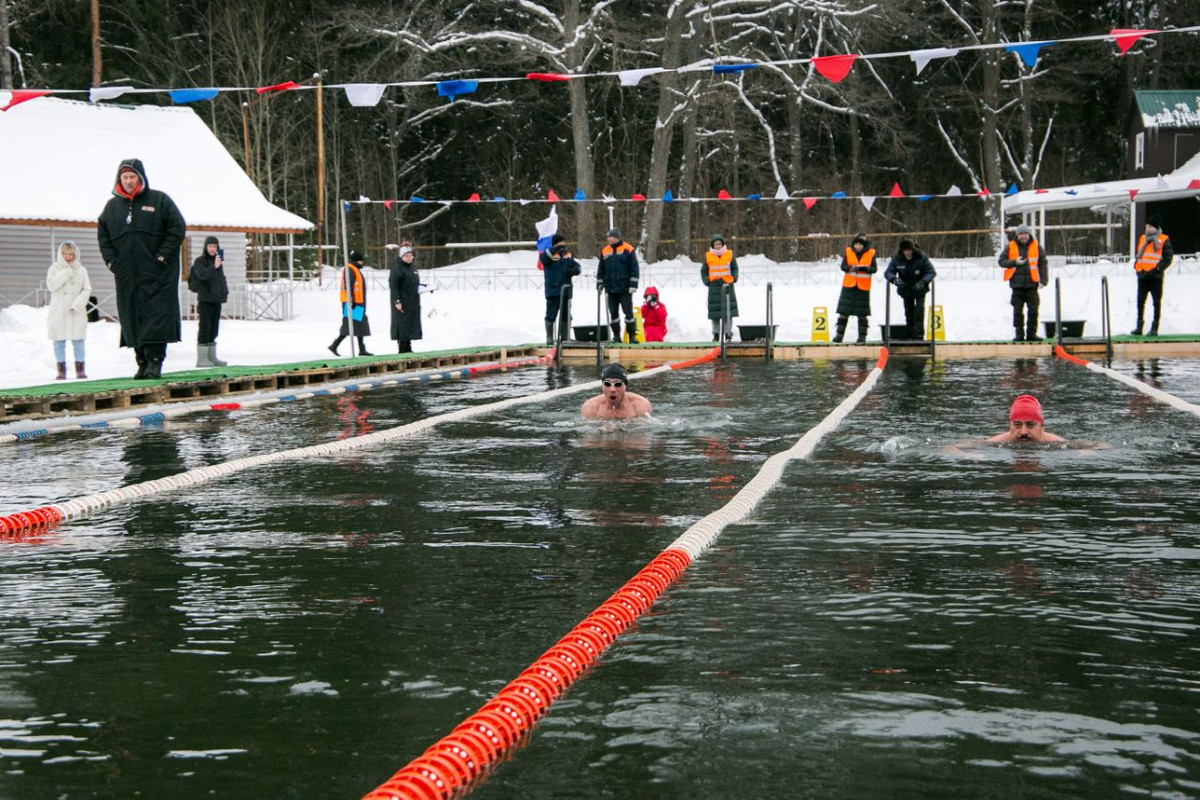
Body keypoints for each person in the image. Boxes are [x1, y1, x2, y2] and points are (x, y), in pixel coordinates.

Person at [97, 158, 187, 380]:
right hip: (127, 275)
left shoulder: (159, 200)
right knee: (133, 317)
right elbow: (103, 236)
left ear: (141, 178)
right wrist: (112, 262)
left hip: (156, 274)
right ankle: (141, 361)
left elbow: (177, 228)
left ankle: (155, 361)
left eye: (132, 177)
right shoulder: (112, 207)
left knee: (156, 316)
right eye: (125, 177)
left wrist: (161, 257)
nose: (128, 181)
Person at [45, 241, 92, 380]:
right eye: (65, 253)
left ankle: (80, 369)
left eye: (71, 254)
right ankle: (61, 370)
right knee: (59, 341)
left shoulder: (82, 270)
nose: (68, 256)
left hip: (75, 311)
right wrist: (66, 273)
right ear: (60, 254)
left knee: (78, 340)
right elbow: (51, 285)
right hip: (59, 311)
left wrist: (77, 304)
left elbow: (87, 288)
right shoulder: (54, 269)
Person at [998, 223, 1049, 342]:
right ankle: (1019, 335)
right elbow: (1001, 261)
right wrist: (1014, 262)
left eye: (1025, 233)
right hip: (1017, 286)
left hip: (1032, 285)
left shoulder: (1036, 246)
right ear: (1017, 235)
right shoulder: (1010, 246)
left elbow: (1043, 263)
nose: (1024, 236)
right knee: (1017, 312)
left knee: (1033, 311)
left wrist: (1044, 280)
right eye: (1021, 234)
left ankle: (1032, 334)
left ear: (1029, 234)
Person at [189, 235, 230, 367]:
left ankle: (212, 357)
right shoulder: (200, 261)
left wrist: (224, 292)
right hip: (205, 299)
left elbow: (219, 279)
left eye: (214, 246)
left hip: (216, 299)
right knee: (205, 327)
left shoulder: (218, 262)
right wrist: (214, 266)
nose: (212, 249)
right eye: (210, 246)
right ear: (205, 247)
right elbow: (203, 275)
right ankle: (202, 359)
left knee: (214, 328)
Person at [883, 238, 936, 340]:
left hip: (919, 288)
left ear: (913, 250)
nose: (907, 253)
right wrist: (894, 279)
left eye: (909, 250)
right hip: (905, 288)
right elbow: (888, 272)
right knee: (908, 311)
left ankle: (919, 335)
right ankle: (911, 334)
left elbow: (931, 272)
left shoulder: (921, 257)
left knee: (919, 311)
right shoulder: (897, 259)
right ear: (902, 251)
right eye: (905, 250)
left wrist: (924, 281)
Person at [1131, 216, 1173, 336]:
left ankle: (1154, 327)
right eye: (1146, 226)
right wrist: (1137, 267)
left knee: (1156, 302)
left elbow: (1168, 258)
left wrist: (1158, 269)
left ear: (1155, 228)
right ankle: (1139, 327)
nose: (1147, 229)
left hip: (1155, 276)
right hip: (1143, 275)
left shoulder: (1163, 240)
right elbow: (1139, 254)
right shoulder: (1143, 238)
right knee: (1140, 301)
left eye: (1149, 226)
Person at [597, 227, 639, 343]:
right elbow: (601, 268)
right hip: (610, 288)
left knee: (628, 313)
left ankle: (632, 336)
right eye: (608, 237)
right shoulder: (605, 250)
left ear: (616, 237)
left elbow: (634, 268)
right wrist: (599, 283)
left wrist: (633, 284)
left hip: (625, 288)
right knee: (613, 313)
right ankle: (616, 336)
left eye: (611, 237)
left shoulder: (628, 249)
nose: (609, 239)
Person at [834, 233, 877, 343]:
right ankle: (839, 336)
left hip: (863, 287)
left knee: (862, 314)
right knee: (843, 312)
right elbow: (843, 266)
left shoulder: (871, 253)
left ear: (864, 245)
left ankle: (862, 338)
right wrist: (850, 268)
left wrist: (866, 269)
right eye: (856, 244)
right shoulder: (848, 251)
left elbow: (874, 268)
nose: (858, 246)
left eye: (860, 244)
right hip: (849, 286)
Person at [539, 233, 580, 345]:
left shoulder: (567, 254)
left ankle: (565, 337)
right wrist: (553, 249)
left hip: (566, 291)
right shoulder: (548, 254)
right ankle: (550, 338)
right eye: (560, 243)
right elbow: (543, 260)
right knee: (551, 314)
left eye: (563, 242)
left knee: (566, 315)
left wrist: (573, 271)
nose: (563, 244)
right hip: (553, 290)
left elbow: (577, 267)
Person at [329, 250, 372, 356]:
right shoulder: (351, 269)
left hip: (356, 302)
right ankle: (335, 345)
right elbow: (348, 286)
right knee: (350, 325)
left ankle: (360, 349)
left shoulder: (353, 268)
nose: (362, 263)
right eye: (361, 261)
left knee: (357, 326)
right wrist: (351, 300)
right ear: (357, 261)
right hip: (353, 303)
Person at [581, 363, 653, 420]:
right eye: (607, 384)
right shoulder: (591, 407)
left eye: (618, 384)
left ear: (625, 386)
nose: (612, 389)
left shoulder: (640, 405)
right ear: (602, 387)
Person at [702, 234, 739, 341]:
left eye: (719, 244)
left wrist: (734, 278)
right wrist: (707, 281)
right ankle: (716, 334)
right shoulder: (708, 256)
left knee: (728, 312)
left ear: (722, 244)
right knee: (715, 313)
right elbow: (703, 271)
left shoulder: (729, 254)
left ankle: (728, 333)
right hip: (714, 286)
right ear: (712, 245)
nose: (717, 246)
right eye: (715, 244)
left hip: (727, 285)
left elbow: (735, 268)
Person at [986, 394, 1064, 444]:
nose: (1023, 432)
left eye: (1030, 425)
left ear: (1042, 426)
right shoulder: (992, 444)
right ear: (1009, 426)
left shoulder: (1060, 445)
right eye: (1017, 425)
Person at [389, 243, 424, 354]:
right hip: (403, 301)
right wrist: (397, 301)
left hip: (412, 301)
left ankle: (408, 346)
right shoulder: (397, 268)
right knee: (402, 324)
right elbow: (394, 286)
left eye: (411, 255)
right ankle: (402, 348)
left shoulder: (412, 268)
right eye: (407, 256)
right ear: (402, 256)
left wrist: (424, 288)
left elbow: (414, 283)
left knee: (410, 324)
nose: (410, 258)